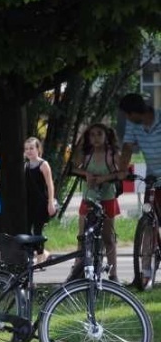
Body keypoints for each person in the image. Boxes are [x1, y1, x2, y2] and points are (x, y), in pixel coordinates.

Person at [67, 123, 122, 281]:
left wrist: (105, 178)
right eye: (92, 135)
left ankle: (113, 275)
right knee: (82, 237)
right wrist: (86, 174)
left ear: (106, 136)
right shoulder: (87, 154)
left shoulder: (111, 154)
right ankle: (77, 273)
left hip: (107, 199)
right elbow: (73, 167)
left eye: (99, 134)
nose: (95, 138)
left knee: (108, 238)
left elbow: (122, 172)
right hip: (88, 199)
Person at [118, 93, 161, 288]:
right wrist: (121, 171)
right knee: (148, 223)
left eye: (127, 114)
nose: (127, 119)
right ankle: (145, 274)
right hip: (153, 179)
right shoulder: (133, 126)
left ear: (135, 112)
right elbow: (127, 148)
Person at [23, 137, 57, 264]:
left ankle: (41, 256)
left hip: (41, 202)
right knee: (26, 230)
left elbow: (50, 185)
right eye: (26, 149)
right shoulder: (25, 166)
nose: (29, 151)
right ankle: (37, 254)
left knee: (37, 230)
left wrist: (51, 202)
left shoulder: (43, 165)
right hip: (29, 203)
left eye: (31, 148)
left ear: (38, 149)